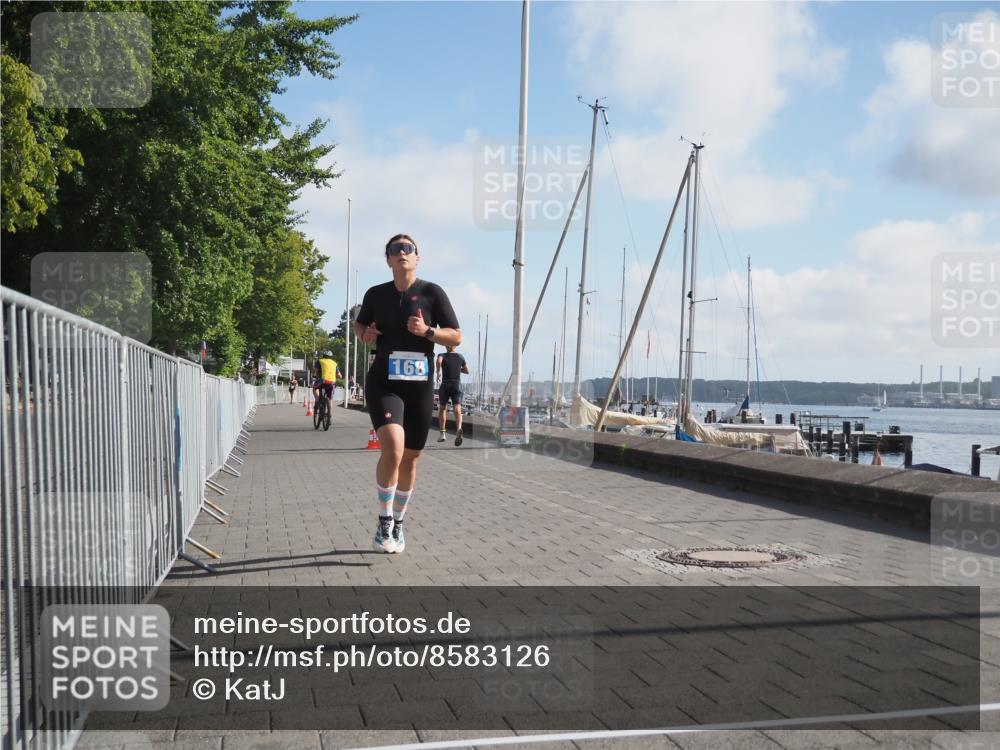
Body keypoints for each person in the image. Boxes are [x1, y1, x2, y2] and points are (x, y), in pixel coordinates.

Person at [354, 234, 460, 554]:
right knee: (394, 450)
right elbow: (360, 327)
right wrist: (365, 334)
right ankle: (383, 521)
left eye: (408, 248)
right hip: (384, 382)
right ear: (387, 259)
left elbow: (455, 336)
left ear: (417, 258)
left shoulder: (432, 293)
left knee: (411, 460)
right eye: (395, 249)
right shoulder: (376, 294)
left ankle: (398, 523)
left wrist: (427, 332)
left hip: (420, 387)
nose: (402, 252)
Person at [435, 346, 469, 445]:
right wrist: (458, 369)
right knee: (457, 409)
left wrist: (438, 372)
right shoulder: (460, 357)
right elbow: (467, 370)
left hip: (445, 385)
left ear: (446, 346)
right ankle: (458, 429)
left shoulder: (442, 355)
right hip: (456, 385)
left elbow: (438, 361)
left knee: (442, 408)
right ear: (455, 346)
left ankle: (442, 434)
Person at [312, 351, 342, 417]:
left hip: (322, 381)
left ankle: (317, 400)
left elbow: (315, 370)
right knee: (330, 398)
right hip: (332, 382)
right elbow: (340, 375)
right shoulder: (334, 363)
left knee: (314, 388)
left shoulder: (319, 361)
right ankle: (329, 414)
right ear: (331, 357)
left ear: (323, 356)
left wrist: (314, 377)